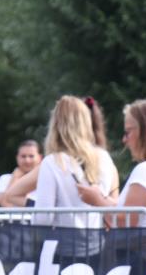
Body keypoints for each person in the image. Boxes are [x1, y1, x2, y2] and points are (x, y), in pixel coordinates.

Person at [78, 98, 146, 227]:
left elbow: (126, 221)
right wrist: (102, 198)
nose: (124, 139)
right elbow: (134, 209)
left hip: (142, 246)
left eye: (128, 132)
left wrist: (97, 200)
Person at [21, 96, 119, 231]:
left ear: (55, 125)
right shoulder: (104, 157)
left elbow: (44, 217)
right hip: (96, 242)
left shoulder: (52, 162)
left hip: (63, 244)